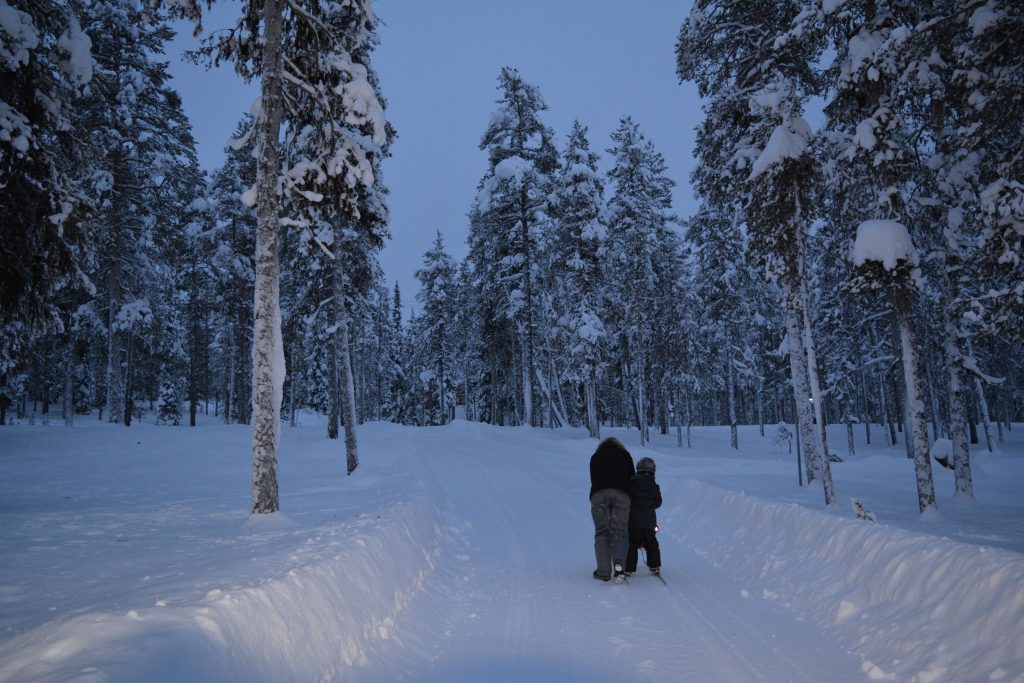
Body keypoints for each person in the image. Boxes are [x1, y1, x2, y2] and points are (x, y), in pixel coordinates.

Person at [589, 437, 635, 582]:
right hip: (622, 494)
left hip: (599, 494)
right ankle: (620, 565)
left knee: (602, 531)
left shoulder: (595, 456)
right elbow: (632, 477)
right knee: (620, 531)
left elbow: (593, 478)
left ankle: (603, 572)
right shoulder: (625, 455)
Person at [626, 456, 662, 575]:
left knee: (632, 543)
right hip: (649, 522)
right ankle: (655, 565)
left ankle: (629, 568)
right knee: (651, 542)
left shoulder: (632, 483)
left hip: (634, 521)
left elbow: (628, 499)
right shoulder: (654, 486)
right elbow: (658, 502)